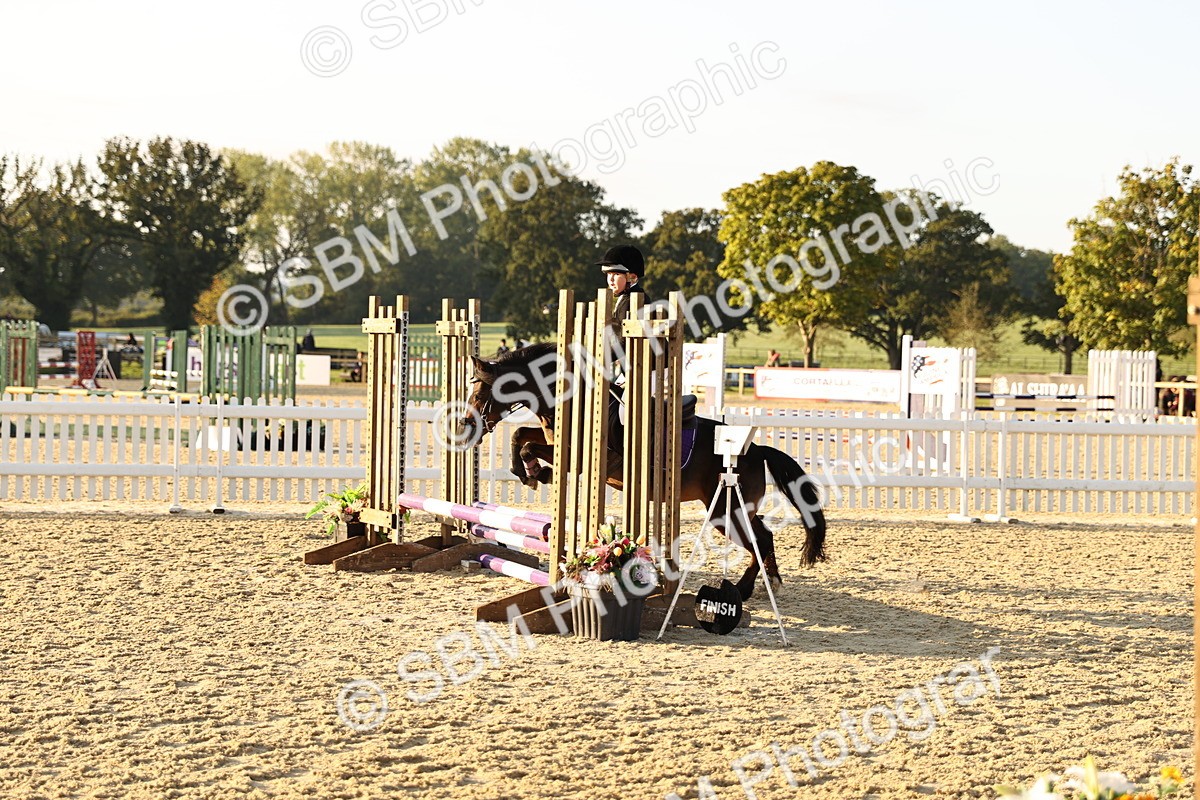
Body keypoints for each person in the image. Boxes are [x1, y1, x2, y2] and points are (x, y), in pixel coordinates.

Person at [597, 244, 648, 455]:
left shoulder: (635, 301)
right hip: (631, 370)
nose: (610, 279)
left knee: (626, 414)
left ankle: (633, 453)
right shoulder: (623, 300)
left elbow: (621, 343)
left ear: (632, 277)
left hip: (648, 372)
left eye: (616, 274)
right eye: (608, 274)